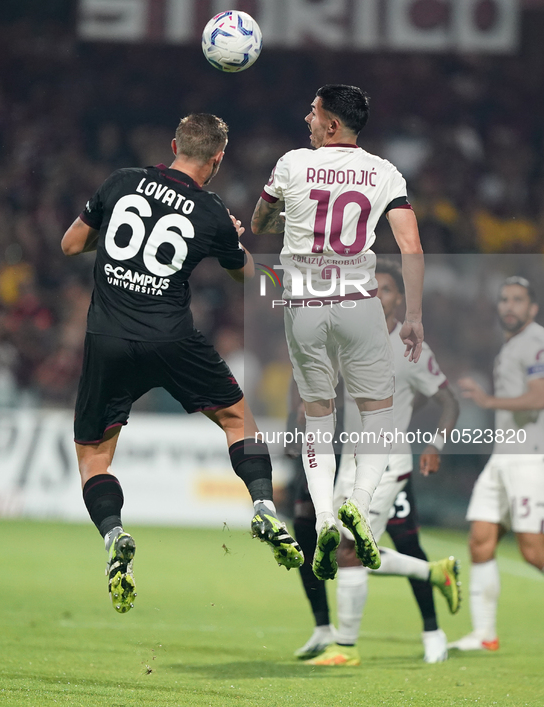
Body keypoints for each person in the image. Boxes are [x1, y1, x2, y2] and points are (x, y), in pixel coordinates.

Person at [61, 113, 303, 614]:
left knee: (94, 454)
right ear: (217, 159)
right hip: (172, 339)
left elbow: (69, 245)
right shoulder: (211, 211)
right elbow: (248, 278)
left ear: (174, 144)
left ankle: (114, 537)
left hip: (108, 337)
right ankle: (261, 504)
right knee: (237, 419)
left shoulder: (121, 182)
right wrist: (232, 239)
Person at [251, 84, 424, 577]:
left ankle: (325, 515)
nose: (307, 116)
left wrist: (287, 216)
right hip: (358, 305)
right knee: (378, 414)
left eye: (314, 110)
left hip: (305, 304)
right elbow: (410, 246)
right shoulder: (384, 172)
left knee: (318, 417)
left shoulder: (291, 164)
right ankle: (360, 503)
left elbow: (261, 222)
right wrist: (412, 315)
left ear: (330, 125)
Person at [292, 259, 461, 666]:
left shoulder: (410, 349)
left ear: (399, 299)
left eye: (385, 289)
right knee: (333, 548)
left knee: (350, 548)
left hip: (387, 462)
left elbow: (448, 401)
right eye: (371, 289)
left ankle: (345, 648)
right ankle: (435, 572)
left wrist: (435, 444)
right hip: (350, 461)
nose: (376, 296)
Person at [449, 276, 544, 651]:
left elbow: (538, 398)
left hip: (528, 460)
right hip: (503, 458)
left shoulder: (536, 342)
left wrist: (487, 402)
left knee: (533, 551)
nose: (509, 306)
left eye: (518, 300)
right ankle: (485, 634)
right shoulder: (511, 346)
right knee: (480, 541)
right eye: (504, 299)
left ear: (532, 308)